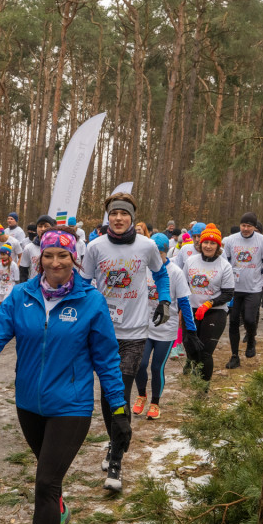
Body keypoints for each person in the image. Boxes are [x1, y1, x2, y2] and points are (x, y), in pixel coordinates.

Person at [0, 227, 127, 524]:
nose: (55, 262)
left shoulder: (90, 301)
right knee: (47, 475)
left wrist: (119, 411)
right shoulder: (22, 295)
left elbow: (108, 360)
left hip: (71, 407)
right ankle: (58, 510)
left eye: (63, 255)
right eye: (49, 255)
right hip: (28, 405)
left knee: (45, 482)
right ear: (39, 258)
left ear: (74, 259)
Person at [81, 192, 174, 491]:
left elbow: (161, 275)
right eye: (114, 213)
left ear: (132, 217)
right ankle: (114, 442)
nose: (119, 218)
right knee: (107, 395)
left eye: (124, 214)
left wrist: (165, 300)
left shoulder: (147, 246)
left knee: (120, 391)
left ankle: (117, 461)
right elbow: (83, 283)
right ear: (108, 217)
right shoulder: (95, 247)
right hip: (102, 332)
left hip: (134, 332)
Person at [133, 233, 200, 420]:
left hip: (165, 329)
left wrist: (191, 330)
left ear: (165, 253)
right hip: (144, 326)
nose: (154, 259)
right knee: (140, 364)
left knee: (156, 367)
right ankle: (141, 395)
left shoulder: (175, 272)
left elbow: (184, 302)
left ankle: (155, 403)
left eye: (159, 255)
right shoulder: (142, 269)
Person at [180, 224, 235, 386]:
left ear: (218, 246)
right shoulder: (191, 261)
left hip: (214, 312)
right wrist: (181, 309)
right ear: (200, 243)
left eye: (212, 243)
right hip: (191, 310)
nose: (208, 246)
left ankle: (203, 389)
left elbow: (228, 293)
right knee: (190, 348)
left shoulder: (224, 265)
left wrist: (209, 303)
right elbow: (183, 286)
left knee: (204, 352)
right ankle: (196, 374)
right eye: (206, 242)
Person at [222, 212, 263, 367]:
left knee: (250, 319)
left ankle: (251, 340)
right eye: (243, 225)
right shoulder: (231, 240)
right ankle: (234, 356)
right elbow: (225, 263)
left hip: (254, 287)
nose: (245, 229)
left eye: (249, 226)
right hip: (234, 287)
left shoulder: (262, 240)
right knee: (233, 321)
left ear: (254, 227)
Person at [20, 215, 56, 281]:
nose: (43, 229)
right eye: (40, 226)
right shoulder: (29, 248)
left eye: (46, 226)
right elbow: (23, 271)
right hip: (34, 285)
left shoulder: (57, 247)